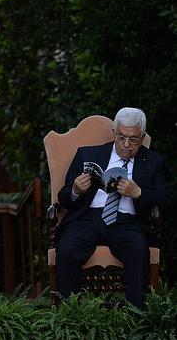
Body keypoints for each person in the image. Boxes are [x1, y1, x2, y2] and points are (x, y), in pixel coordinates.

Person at [56, 107, 168, 307]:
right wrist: (75, 190)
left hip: (126, 222)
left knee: (138, 249)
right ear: (114, 133)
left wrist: (139, 193)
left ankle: (136, 315)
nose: (126, 145)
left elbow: (164, 200)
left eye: (133, 140)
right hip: (86, 219)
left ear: (142, 138)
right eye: (122, 137)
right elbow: (64, 198)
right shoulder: (87, 154)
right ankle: (70, 314)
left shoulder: (153, 161)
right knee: (66, 249)